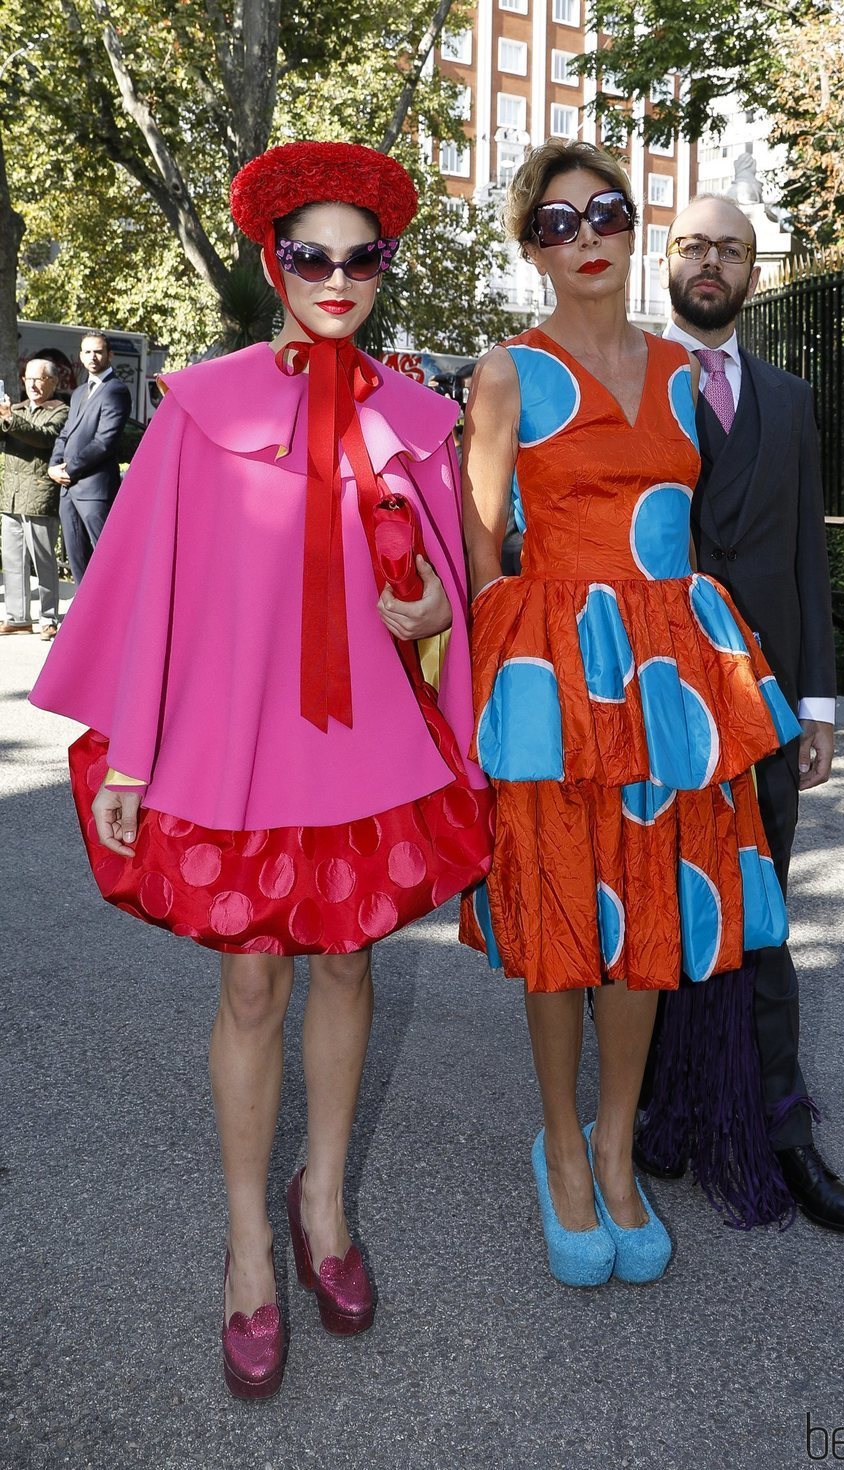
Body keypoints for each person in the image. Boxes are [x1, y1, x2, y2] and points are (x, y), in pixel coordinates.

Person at [31, 141, 492, 1398]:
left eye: (359, 259)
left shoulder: (416, 416)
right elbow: (147, 587)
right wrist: (130, 746)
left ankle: (323, 1202)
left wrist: (429, 612)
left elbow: (452, 587)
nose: (335, 279)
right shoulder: (199, 405)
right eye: (310, 257)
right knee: (250, 991)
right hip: (237, 746)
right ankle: (248, 1247)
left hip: (372, 751)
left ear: (382, 267)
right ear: (272, 262)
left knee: (348, 962)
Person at [460, 141, 804, 1288]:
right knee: (563, 915)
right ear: (532, 251)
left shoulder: (676, 370)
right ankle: (557, 1146)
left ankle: (616, 1151)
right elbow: (478, 554)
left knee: (646, 917)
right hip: (553, 676)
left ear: (630, 227)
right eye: (556, 224)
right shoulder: (506, 371)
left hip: (668, 674)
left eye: (603, 213)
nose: (585, 237)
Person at [636, 191, 844, 1235]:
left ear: (752, 273)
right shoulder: (625, 383)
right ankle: (655, 1109)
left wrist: (815, 701)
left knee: (759, 922)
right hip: (653, 704)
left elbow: (802, 558)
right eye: (692, 245)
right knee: (655, 916)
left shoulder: (786, 395)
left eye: (729, 250)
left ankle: (783, 1132)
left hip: (763, 704)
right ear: (666, 261)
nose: (709, 263)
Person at [48, 332, 132, 583]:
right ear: (80, 355)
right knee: (77, 562)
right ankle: (85, 620)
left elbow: (104, 442)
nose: (92, 357)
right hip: (68, 491)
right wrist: (53, 466)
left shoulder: (116, 390)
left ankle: (115, 618)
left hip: (94, 490)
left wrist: (69, 469)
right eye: (87, 352)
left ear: (109, 355)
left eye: (98, 351)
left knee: (106, 560)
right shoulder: (79, 392)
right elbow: (66, 433)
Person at [0, 359, 69, 637]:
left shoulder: (60, 411)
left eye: (39, 379)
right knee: (14, 560)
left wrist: (9, 419)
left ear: (53, 383)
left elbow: (44, 437)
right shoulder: (15, 409)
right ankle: (17, 618)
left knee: (43, 561)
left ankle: (48, 617)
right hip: (12, 495)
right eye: (28, 379)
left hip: (39, 495)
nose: (32, 385)